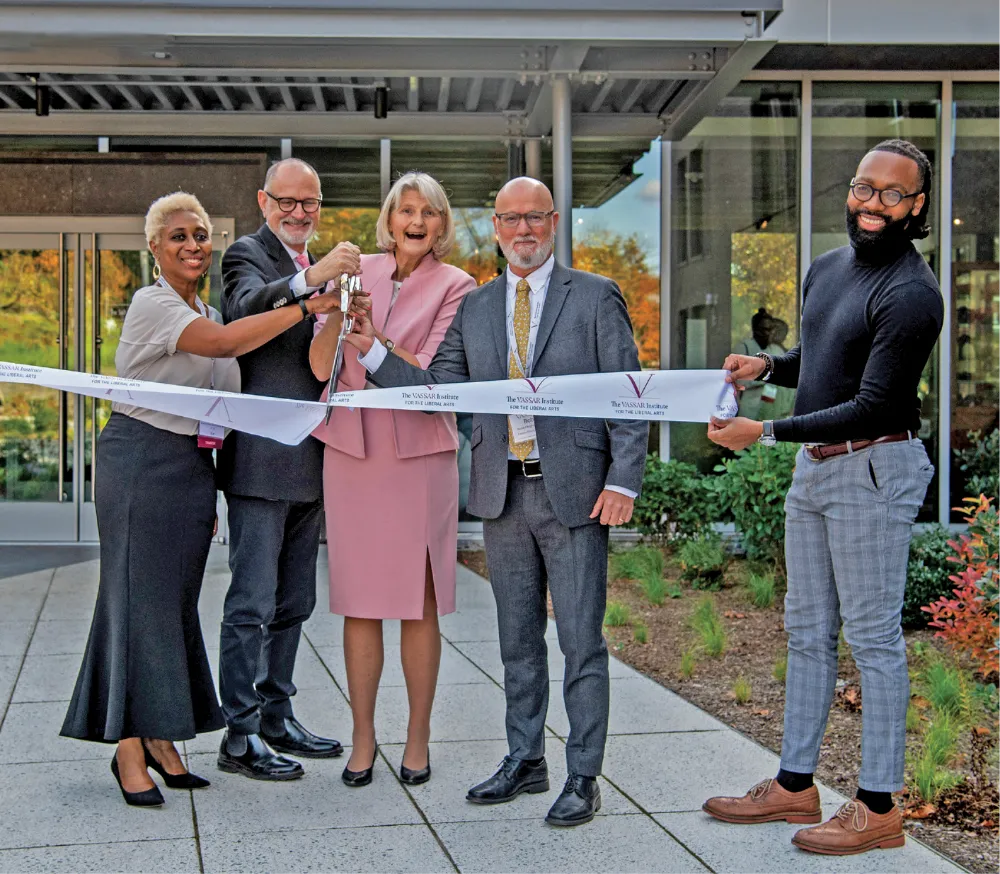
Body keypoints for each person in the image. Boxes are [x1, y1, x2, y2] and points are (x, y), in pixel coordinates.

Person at [345, 177, 648, 827]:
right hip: (501, 491)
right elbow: (434, 388)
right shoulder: (477, 309)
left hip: (574, 495)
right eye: (509, 220)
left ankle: (583, 775)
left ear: (554, 222)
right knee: (516, 641)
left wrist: (623, 481)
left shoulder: (595, 297)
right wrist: (370, 346)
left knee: (579, 640)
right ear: (497, 229)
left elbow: (629, 392)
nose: (522, 230)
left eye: (534, 218)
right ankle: (525, 758)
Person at [60, 192, 346, 806]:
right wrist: (303, 307)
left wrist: (331, 318)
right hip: (140, 459)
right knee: (136, 602)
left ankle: (163, 740)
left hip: (191, 466)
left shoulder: (205, 305)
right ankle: (128, 748)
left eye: (200, 235)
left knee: (173, 604)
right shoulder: (154, 303)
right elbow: (221, 347)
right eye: (178, 236)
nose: (193, 245)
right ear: (155, 247)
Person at [702, 139, 943, 856]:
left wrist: (765, 429)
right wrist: (768, 367)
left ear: (917, 207)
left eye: (892, 194)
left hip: (875, 466)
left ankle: (877, 807)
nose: (873, 205)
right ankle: (795, 785)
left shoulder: (913, 294)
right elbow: (826, 358)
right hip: (816, 467)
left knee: (872, 640)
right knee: (806, 629)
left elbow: (872, 403)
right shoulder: (827, 269)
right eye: (865, 188)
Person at [309, 171, 476, 787]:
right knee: (359, 602)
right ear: (389, 217)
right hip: (352, 454)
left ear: (441, 224)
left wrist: (373, 341)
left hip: (418, 456)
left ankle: (418, 738)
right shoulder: (360, 271)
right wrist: (333, 314)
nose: (415, 220)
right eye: (405, 209)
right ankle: (361, 739)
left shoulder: (459, 286)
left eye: (428, 211)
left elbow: (431, 375)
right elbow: (320, 366)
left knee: (418, 603)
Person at [216, 158, 368, 780]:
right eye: (288, 201)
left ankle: (277, 716)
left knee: (294, 600)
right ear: (264, 200)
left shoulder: (316, 265)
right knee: (250, 600)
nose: (299, 212)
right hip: (259, 461)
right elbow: (245, 309)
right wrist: (314, 282)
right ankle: (239, 733)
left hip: (314, 456)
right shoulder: (244, 254)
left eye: (310, 203)